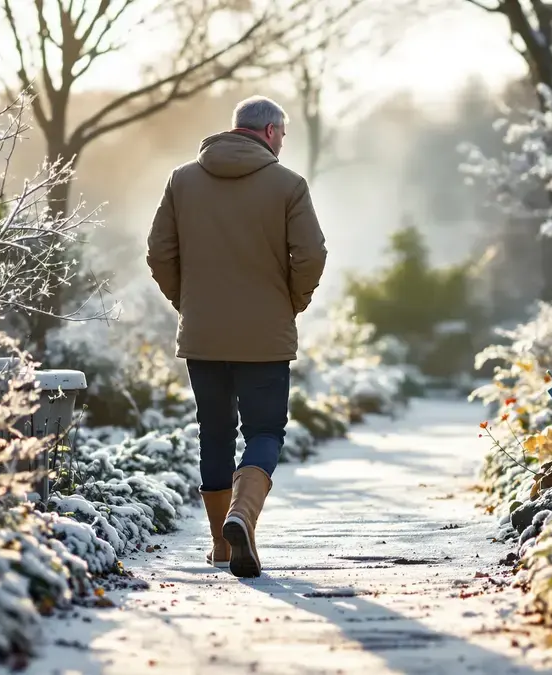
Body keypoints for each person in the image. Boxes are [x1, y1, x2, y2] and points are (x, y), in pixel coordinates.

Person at [145, 96, 327, 578]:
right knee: (265, 431)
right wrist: (291, 302)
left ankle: (220, 546)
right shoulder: (288, 185)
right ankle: (242, 517)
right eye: (283, 134)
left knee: (215, 432)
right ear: (269, 132)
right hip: (265, 335)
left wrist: (188, 303)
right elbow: (311, 255)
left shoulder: (182, 180)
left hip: (203, 334)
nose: (283, 143)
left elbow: (159, 253)